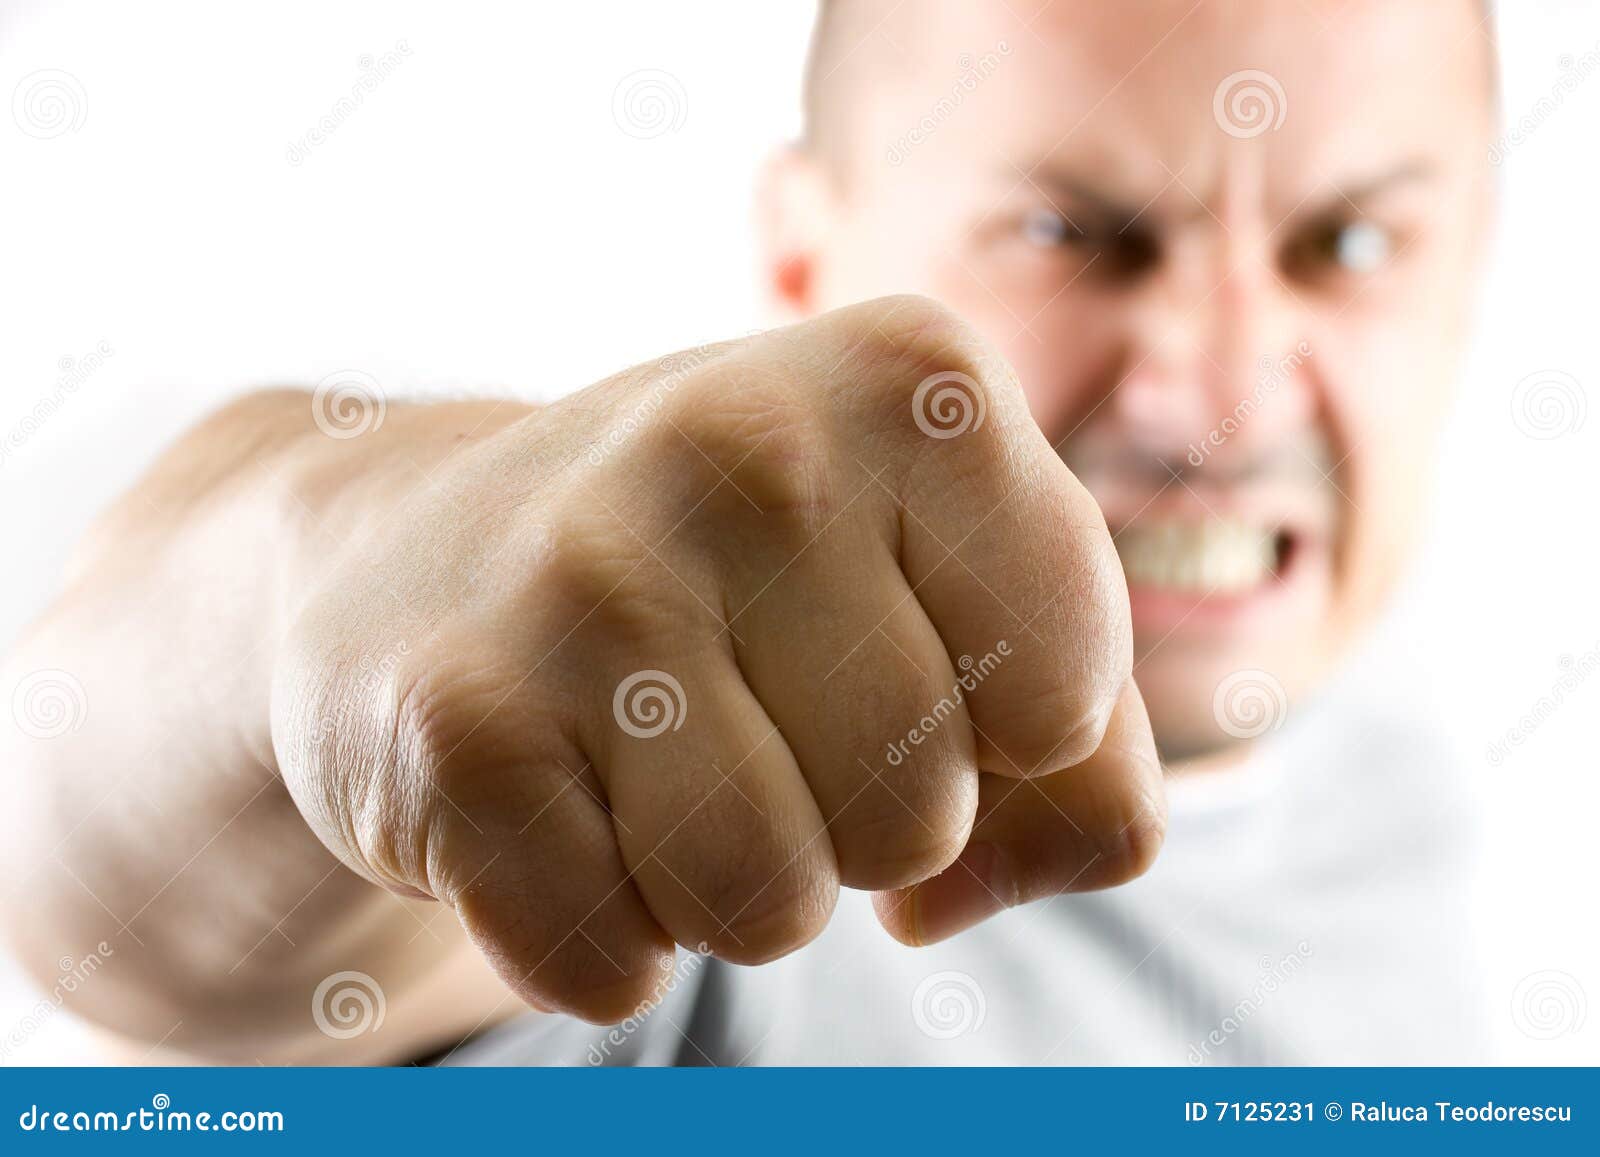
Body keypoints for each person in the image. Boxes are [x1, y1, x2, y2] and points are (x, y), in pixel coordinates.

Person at [0, 0, 1497, 1065]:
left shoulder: (1407, 787)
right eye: (1069, 234)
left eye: (1350, 244)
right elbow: (135, 905)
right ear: (806, 250)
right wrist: (339, 578)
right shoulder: (689, 804)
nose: (1218, 395)